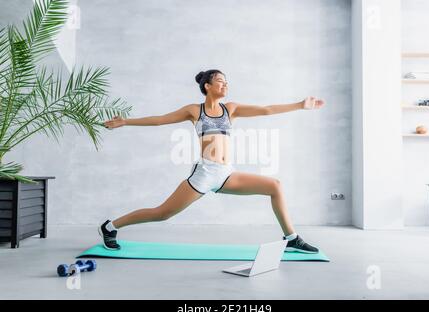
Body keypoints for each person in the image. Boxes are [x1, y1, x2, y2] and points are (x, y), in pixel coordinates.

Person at [99, 69, 325, 253]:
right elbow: (159, 120)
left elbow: (265, 110)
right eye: (220, 81)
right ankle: (110, 227)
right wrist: (126, 122)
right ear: (207, 85)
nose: (225, 85)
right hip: (205, 174)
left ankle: (291, 238)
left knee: (274, 186)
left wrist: (299, 105)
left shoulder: (231, 109)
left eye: (227, 82)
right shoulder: (194, 110)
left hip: (227, 174)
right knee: (162, 213)